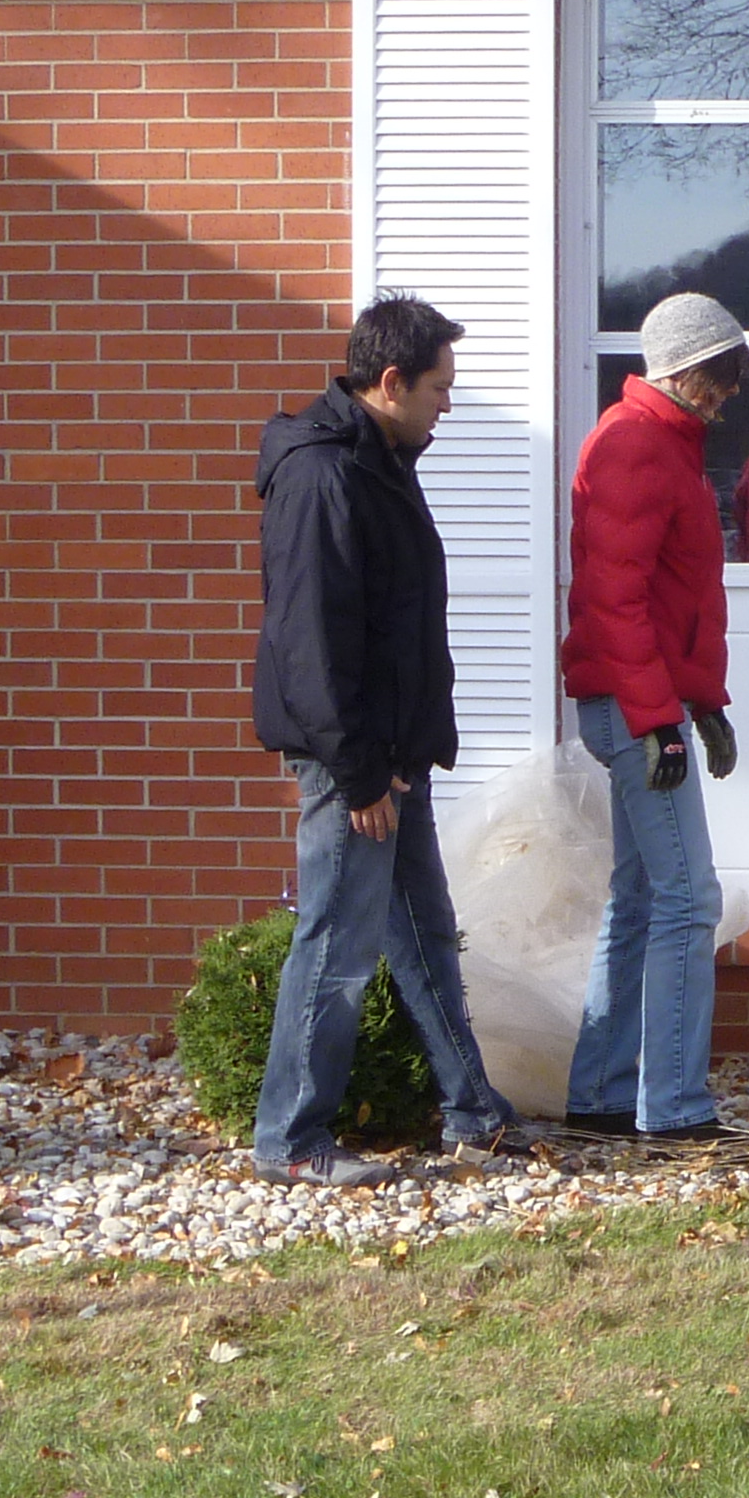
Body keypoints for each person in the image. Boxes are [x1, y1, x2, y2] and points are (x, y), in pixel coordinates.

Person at [246, 294, 520, 1184]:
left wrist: (402, 759)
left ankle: (474, 1112)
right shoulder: (325, 475)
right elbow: (312, 642)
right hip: (353, 768)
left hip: (392, 762)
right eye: (439, 387)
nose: (449, 403)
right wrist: (361, 774)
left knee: (425, 935)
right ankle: (291, 1142)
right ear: (391, 381)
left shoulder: (382, 461)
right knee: (335, 949)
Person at [559, 289, 749, 1142]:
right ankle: (671, 1110)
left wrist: (701, 705)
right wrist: (657, 719)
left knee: (639, 898)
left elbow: (675, 600)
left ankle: (600, 1096)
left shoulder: (665, 443)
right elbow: (614, 599)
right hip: (635, 708)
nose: (728, 391)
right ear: (681, 368)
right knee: (686, 899)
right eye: (719, 374)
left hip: (648, 703)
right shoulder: (637, 444)